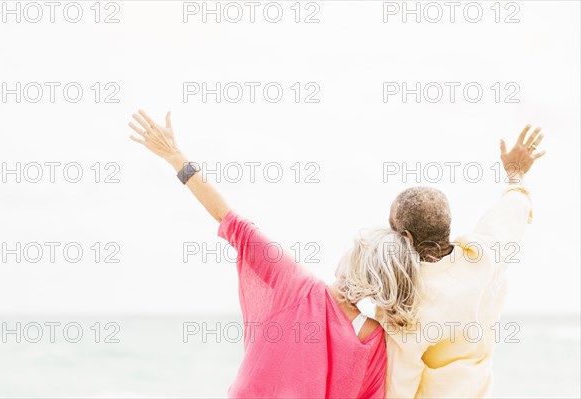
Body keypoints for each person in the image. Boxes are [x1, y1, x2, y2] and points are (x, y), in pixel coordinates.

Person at [127, 109, 422, 399]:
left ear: (351, 262)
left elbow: (230, 220)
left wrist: (175, 156)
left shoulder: (295, 284)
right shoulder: (371, 339)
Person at [375, 125, 546, 398]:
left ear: (405, 236)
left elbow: (398, 387)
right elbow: (511, 212)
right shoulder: (484, 256)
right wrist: (515, 173)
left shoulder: (406, 305)